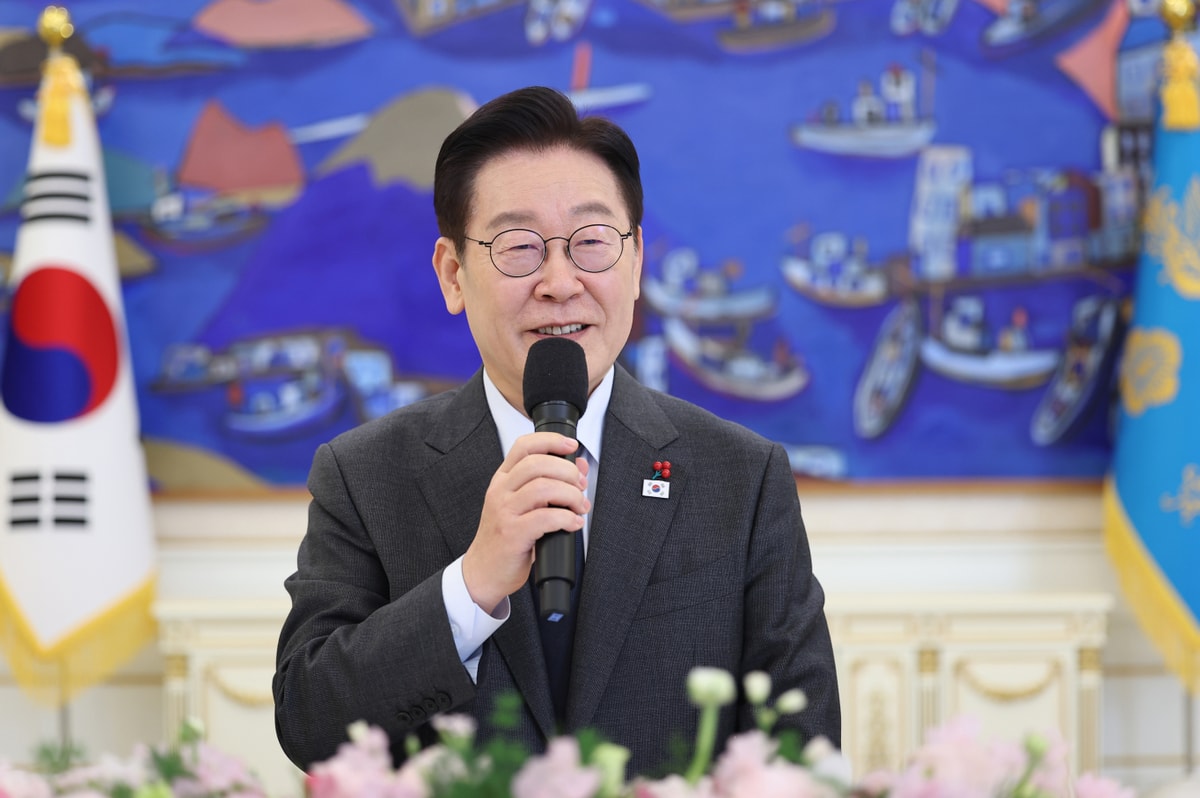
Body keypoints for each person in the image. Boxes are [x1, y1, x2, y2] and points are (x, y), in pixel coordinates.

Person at [272, 85, 841, 777]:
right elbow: (309, 723)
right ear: (453, 275)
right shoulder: (365, 475)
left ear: (636, 262)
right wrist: (471, 585)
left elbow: (804, 755)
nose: (560, 282)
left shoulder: (741, 478)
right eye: (519, 248)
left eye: (592, 243)